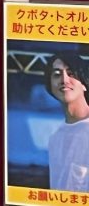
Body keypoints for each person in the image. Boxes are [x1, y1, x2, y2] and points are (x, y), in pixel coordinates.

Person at [46, 53, 89, 192]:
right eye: (57, 74)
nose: (64, 80)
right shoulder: (55, 138)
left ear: (84, 83)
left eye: (71, 74)